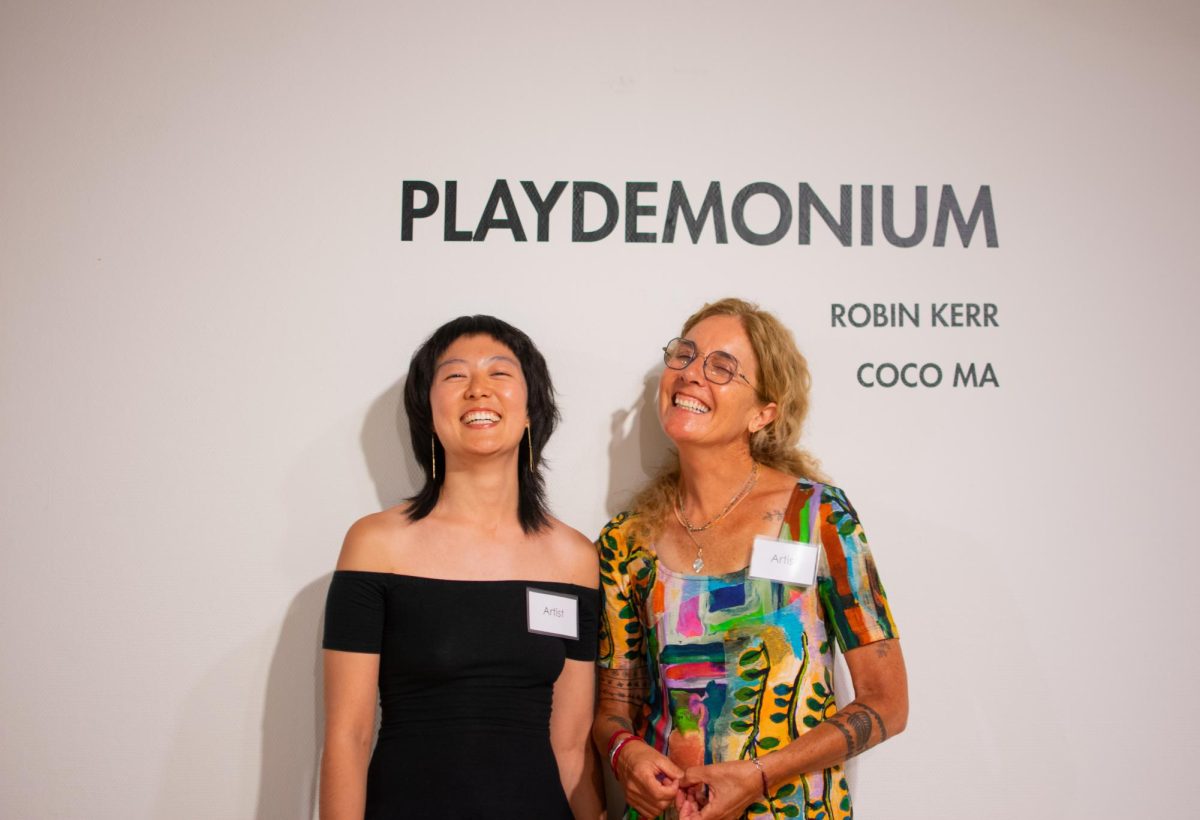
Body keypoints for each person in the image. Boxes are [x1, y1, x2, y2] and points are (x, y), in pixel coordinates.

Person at [593, 298, 907, 820]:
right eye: (685, 356)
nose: (692, 374)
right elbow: (611, 711)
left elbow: (887, 704)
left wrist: (760, 775)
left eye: (721, 367)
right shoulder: (626, 543)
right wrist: (627, 755)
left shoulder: (818, 518)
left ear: (763, 412)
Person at [321, 315, 602, 819]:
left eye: (499, 374)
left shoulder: (574, 560)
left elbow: (571, 745)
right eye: (454, 376)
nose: (478, 390)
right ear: (428, 413)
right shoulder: (375, 545)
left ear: (531, 408)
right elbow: (349, 736)